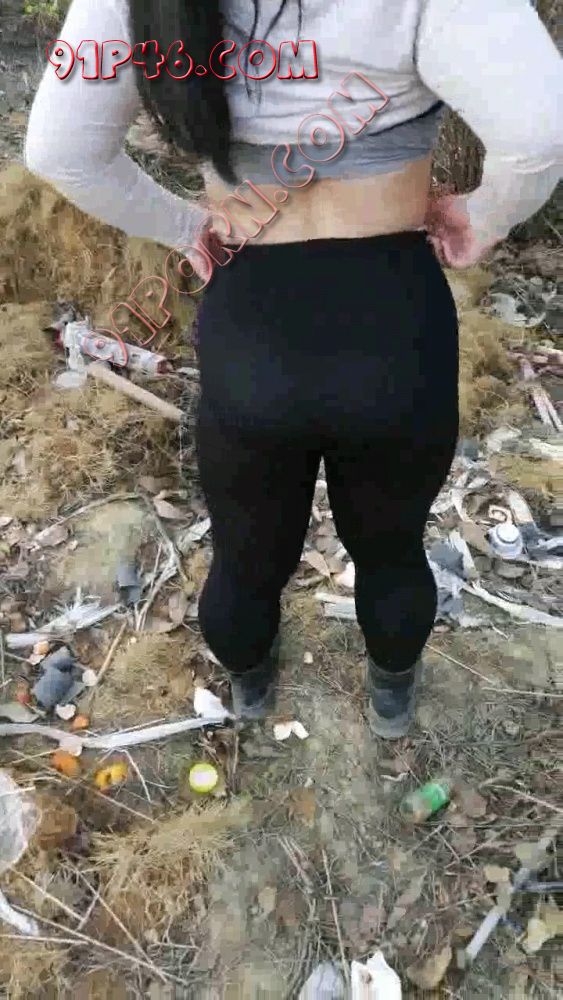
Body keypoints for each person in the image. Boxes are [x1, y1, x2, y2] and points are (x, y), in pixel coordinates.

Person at [24, 0, 563, 738]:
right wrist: (487, 215)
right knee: (392, 552)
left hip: (252, 327)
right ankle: (390, 706)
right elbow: (540, 130)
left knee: (245, 559)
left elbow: (59, 150)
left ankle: (251, 692)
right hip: (395, 327)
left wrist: (188, 229)